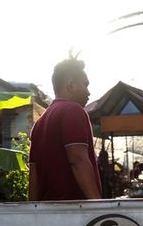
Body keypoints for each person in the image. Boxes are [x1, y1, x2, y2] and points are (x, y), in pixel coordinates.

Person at [28, 57, 102, 201]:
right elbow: (78, 159)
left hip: (49, 213)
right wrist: (97, 205)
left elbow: (34, 173)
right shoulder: (73, 110)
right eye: (85, 85)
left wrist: (33, 212)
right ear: (71, 85)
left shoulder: (40, 122)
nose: (88, 92)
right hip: (74, 212)